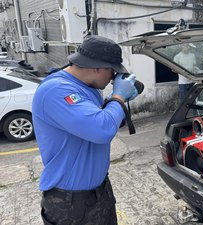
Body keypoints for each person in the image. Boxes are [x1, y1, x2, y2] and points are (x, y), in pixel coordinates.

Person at [32, 35, 139, 225]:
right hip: (69, 202)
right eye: (112, 72)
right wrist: (118, 97)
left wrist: (119, 102)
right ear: (98, 68)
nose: (113, 78)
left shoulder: (88, 88)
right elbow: (101, 129)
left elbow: (103, 120)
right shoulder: (56, 90)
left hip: (100, 192)